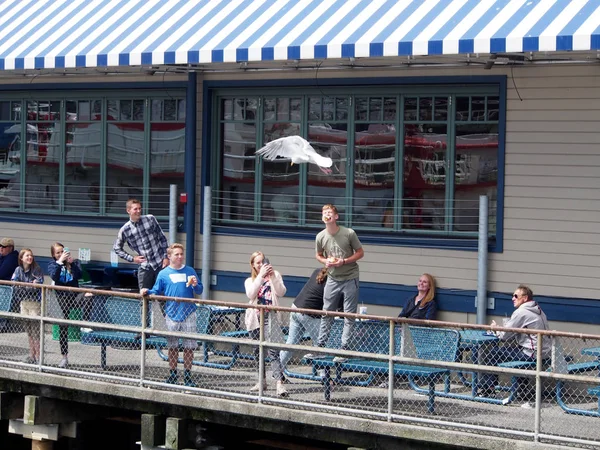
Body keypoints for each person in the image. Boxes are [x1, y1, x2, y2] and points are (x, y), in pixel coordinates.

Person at [141, 243, 203, 387]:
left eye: (181, 254)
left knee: (189, 347)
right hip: (171, 313)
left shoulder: (190, 270)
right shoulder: (163, 273)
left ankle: (187, 376)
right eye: (177, 254)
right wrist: (146, 291)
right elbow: (156, 290)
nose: (180, 257)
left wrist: (194, 285)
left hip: (189, 312)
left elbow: (199, 290)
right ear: (169, 256)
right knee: (173, 346)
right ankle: (173, 374)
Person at [479, 285, 551, 400]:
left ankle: (488, 390)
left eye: (516, 296)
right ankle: (521, 391)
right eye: (513, 296)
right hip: (545, 352)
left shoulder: (521, 312)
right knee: (515, 352)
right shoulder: (539, 310)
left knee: (491, 353)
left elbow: (504, 336)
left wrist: (495, 328)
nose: (513, 298)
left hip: (533, 354)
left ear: (525, 298)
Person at [314, 204, 364, 363]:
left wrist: (344, 261)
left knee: (348, 315)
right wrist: (326, 261)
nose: (326, 215)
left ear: (336, 217)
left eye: (329, 212)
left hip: (350, 277)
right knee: (327, 312)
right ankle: (320, 347)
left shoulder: (349, 233)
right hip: (333, 277)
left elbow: (360, 253)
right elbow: (318, 255)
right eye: (324, 213)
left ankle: (344, 349)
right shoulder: (320, 236)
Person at [244, 251, 287, 397]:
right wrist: (261, 277)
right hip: (255, 318)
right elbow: (251, 294)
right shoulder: (250, 280)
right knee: (258, 351)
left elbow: (281, 292)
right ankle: (261, 381)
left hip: (271, 316)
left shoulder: (275, 275)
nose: (261, 264)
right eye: (258, 262)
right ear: (253, 265)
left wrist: (272, 276)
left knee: (273, 351)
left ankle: (279, 384)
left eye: (263, 261)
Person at [113, 198, 169, 298]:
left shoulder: (150, 219)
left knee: (163, 295)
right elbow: (117, 248)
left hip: (160, 263)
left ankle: (165, 314)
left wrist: (166, 257)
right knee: (144, 296)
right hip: (145, 266)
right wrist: (132, 258)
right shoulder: (125, 229)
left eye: (139, 208)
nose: (138, 211)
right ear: (128, 211)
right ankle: (144, 314)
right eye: (135, 209)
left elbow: (162, 238)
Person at [280, 267, 327, 373]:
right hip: (309, 313)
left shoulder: (318, 271)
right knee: (321, 345)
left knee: (291, 343)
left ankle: (277, 371)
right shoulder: (333, 280)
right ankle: (325, 378)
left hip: (296, 307)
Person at [48, 243, 82, 368]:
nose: (61, 254)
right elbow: (54, 276)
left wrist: (71, 264)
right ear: (53, 255)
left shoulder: (75, 262)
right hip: (61, 298)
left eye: (62, 251)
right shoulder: (52, 265)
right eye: (58, 252)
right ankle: (64, 356)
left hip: (74, 295)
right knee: (63, 326)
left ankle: (85, 325)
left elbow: (79, 275)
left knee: (89, 296)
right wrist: (60, 262)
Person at [11, 248, 44, 364]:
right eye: (27, 256)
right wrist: (29, 285)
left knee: (36, 331)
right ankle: (32, 356)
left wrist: (25, 286)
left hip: (34, 303)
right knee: (29, 331)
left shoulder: (37, 269)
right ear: (21, 258)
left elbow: (37, 286)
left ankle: (39, 357)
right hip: (23, 303)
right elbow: (14, 285)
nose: (30, 257)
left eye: (31, 255)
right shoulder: (18, 270)